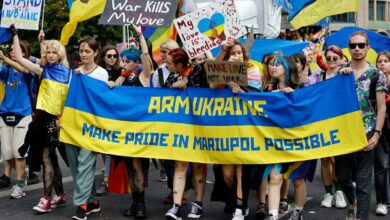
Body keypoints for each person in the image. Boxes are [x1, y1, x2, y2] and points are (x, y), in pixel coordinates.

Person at [13, 28, 70, 213]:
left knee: (48, 158)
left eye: (55, 52)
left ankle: (47, 198)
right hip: (41, 121)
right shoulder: (42, 70)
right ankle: (58, 196)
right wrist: (15, 35)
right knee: (50, 159)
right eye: (49, 52)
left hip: (58, 122)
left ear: (60, 55)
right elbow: (21, 59)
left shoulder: (70, 74)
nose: (51, 55)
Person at [335, 31, 387, 220]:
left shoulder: (376, 75)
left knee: (364, 183)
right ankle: (353, 202)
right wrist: (339, 76)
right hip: (343, 132)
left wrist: (377, 134)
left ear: (368, 47)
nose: (357, 49)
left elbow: (381, 108)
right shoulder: (341, 73)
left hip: (366, 132)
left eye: (361, 45)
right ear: (348, 48)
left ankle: (361, 216)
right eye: (353, 45)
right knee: (341, 177)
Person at [65, 36, 109, 220]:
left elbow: (99, 98)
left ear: (95, 53)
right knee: (76, 165)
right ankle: (92, 201)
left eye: (87, 51)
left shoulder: (101, 73)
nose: (83, 54)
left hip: (91, 126)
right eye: (81, 51)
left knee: (85, 164)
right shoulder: (73, 73)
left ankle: (81, 207)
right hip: (72, 125)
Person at [113, 24, 152, 219]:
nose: (123, 63)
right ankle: (135, 202)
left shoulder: (144, 76)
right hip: (124, 128)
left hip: (140, 128)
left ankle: (141, 204)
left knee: (137, 166)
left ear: (136, 63)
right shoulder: (122, 78)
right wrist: (114, 83)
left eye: (127, 60)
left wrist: (139, 35)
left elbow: (146, 56)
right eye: (122, 60)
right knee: (129, 166)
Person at [304, 46, 348, 209]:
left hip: (339, 121)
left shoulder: (345, 73)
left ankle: (339, 191)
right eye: (328, 58)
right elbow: (306, 87)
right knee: (325, 159)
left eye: (334, 58)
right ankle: (328, 192)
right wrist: (307, 64)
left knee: (336, 160)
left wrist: (347, 70)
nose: (331, 61)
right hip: (322, 120)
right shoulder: (319, 74)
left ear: (341, 59)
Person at [0, 36, 32, 199]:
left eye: (17, 50)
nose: (13, 52)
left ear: (24, 53)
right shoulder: (6, 70)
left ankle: (19, 184)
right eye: (11, 50)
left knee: (19, 154)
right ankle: (23, 171)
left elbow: (24, 70)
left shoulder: (29, 70)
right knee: (7, 154)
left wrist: (4, 58)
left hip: (23, 115)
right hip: (5, 114)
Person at [95, 45, 122, 196]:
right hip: (101, 112)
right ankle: (108, 168)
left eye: (115, 56)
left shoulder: (120, 71)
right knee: (101, 145)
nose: (112, 58)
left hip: (115, 113)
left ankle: (106, 180)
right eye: (109, 56)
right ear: (103, 57)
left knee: (109, 146)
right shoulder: (98, 72)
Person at [373, 51, 390, 216]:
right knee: (381, 165)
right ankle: (382, 201)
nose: (382, 63)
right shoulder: (373, 80)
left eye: (386, 61)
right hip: (380, 127)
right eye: (380, 61)